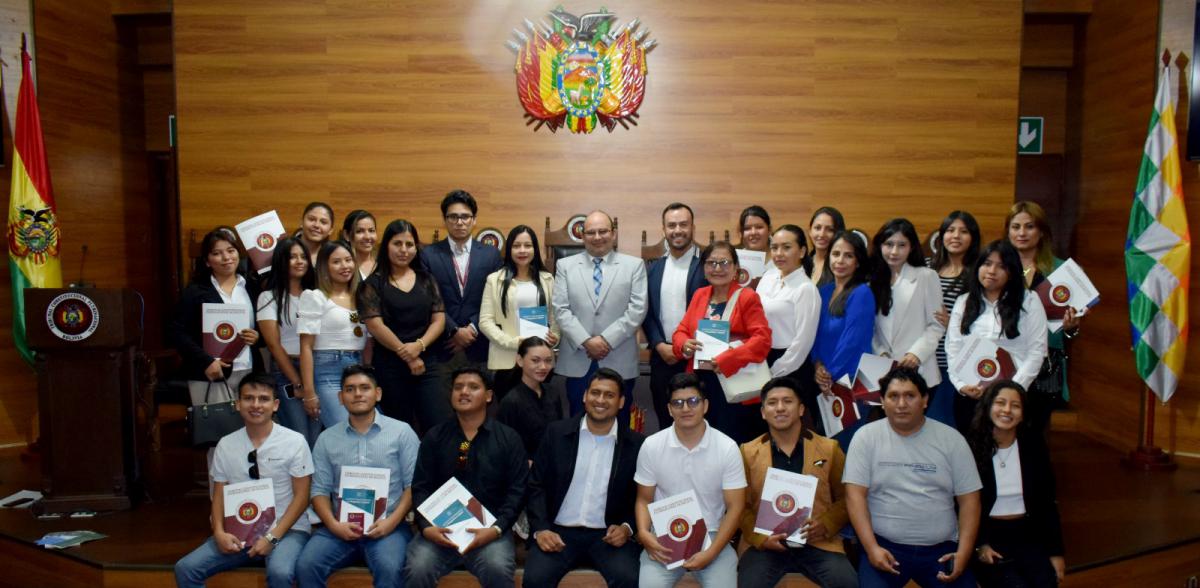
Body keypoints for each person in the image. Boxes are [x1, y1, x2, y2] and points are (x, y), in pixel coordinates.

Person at [844, 367, 981, 588]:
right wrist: (871, 548)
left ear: (925, 400)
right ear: (882, 401)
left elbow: (970, 501)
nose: (901, 404)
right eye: (893, 396)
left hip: (942, 550)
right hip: (884, 548)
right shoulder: (865, 438)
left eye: (910, 396)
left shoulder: (952, 440)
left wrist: (964, 553)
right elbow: (854, 496)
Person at [175, 373, 314, 588]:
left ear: (275, 405)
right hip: (239, 531)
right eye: (249, 398)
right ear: (238, 404)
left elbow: (302, 497)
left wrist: (272, 537)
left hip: (287, 531)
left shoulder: (294, 442)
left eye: (263, 399)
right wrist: (219, 532)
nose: (256, 405)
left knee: (280, 572)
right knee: (186, 568)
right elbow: (219, 495)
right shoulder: (226, 444)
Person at [296, 365, 421, 588]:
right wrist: (333, 525)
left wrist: (391, 523)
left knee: (390, 567)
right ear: (340, 397)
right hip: (338, 527)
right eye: (350, 389)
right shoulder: (327, 438)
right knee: (306, 565)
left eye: (365, 388)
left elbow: (413, 485)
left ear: (378, 393)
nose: (358, 394)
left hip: (388, 528)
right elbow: (319, 490)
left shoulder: (402, 433)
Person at [405, 368, 528, 588]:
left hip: (489, 532)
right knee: (418, 568)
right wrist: (425, 527)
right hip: (440, 531)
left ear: (488, 396)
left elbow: (517, 491)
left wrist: (496, 529)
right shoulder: (435, 437)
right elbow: (421, 487)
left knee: (497, 568)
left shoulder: (509, 439)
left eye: (473, 387)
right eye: (458, 387)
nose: (464, 392)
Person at [524, 368, 646, 588]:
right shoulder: (556, 433)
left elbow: (641, 496)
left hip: (608, 536)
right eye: (595, 393)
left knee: (630, 579)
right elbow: (536, 485)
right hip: (558, 532)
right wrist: (541, 529)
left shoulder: (636, 445)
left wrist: (627, 527)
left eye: (609, 395)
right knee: (535, 579)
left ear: (621, 402)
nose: (600, 400)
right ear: (584, 396)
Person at [737, 377, 857, 588]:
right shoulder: (747, 452)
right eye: (772, 403)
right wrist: (761, 538)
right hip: (765, 545)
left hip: (818, 542)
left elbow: (847, 498)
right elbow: (739, 507)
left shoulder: (829, 449)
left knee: (847, 582)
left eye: (787, 401)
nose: (780, 408)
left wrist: (825, 524)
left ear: (801, 409)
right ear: (763, 412)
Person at [634, 373, 747, 587]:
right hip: (663, 538)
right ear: (669, 409)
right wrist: (643, 533)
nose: (685, 408)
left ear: (705, 406)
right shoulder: (651, 445)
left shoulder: (727, 448)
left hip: (713, 537)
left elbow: (736, 507)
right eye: (677, 403)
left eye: (693, 401)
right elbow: (643, 500)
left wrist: (712, 552)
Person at [552, 209, 648, 422]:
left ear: (613, 233)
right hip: (578, 360)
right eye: (591, 232)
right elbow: (560, 309)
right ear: (583, 236)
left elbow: (637, 309)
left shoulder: (634, 266)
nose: (597, 237)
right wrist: (586, 341)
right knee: (577, 423)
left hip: (619, 359)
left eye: (603, 231)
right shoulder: (565, 266)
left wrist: (606, 340)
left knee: (619, 426)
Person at [945, 240, 1048, 435]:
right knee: (971, 449)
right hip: (972, 395)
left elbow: (1037, 352)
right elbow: (953, 348)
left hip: (1014, 397)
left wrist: (1012, 390)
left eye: (1001, 266)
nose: (991, 271)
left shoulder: (1029, 300)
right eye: (987, 264)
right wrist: (961, 385)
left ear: (1012, 272)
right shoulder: (964, 301)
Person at [968, 381, 1065, 587]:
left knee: (1047, 582)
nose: (1006, 410)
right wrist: (980, 545)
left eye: (1015, 405)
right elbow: (961, 506)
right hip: (988, 535)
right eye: (1000, 403)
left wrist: (1056, 553)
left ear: (1023, 414)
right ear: (988, 407)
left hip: (1028, 534)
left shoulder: (1034, 446)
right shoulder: (970, 447)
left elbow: (1047, 503)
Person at [674, 241, 772, 443]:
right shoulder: (700, 295)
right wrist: (684, 344)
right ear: (704, 268)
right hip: (701, 383)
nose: (717, 268)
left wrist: (730, 358)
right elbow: (681, 330)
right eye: (711, 263)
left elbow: (762, 339)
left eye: (724, 262)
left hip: (733, 383)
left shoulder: (747, 297)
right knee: (703, 442)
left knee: (732, 442)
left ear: (736, 268)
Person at [358, 220, 448, 435]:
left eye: (409, 244)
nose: (404, 250)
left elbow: (439, 320)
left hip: (428, 364)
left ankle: (445, 460)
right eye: (397, 243)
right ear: (386, 246)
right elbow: (375, 326)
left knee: (439, 426)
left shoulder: (427, 279)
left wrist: (419, 345)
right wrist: (408, 356)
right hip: (390, 367)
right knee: (398, 430)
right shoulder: (371, 284)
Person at [1006, 201, 1081, 432]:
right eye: (1015, 227)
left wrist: (1071, 327)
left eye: (1029, 226)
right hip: (1005, 359)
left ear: (1041, 232)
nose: (1022, 233)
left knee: (1035, 434)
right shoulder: (997, 266)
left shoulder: (1062, 270)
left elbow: (1070, 331)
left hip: (1044, 366)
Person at [169, 228, 261, 406]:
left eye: (231, 251)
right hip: (209, 373)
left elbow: (263, 327)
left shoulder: (251, 287)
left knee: (250, 422)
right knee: (217, 423)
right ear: (207, 261)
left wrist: (257, 337)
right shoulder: (195, 291)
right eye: (217, 253)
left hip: (249, 371)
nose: (226, 257)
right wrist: (205, 362)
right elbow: (176, 332)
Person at [421, 189, 503, 378]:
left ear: (474, 220)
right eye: (453, 217)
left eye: (465, 216)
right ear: (444, 220)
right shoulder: (428, 255)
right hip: (443, 346)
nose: (459, 222)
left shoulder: (491, 255)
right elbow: (427, 299)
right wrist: (454, 331)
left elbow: (497, 298)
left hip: (481, 345)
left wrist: (472, 328)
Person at [644, 202, 708, 430]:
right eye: (672, 225)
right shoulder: (652, 269)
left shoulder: (706, 268)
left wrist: (686, 347)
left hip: (696, 357)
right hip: (663, 357)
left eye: (683, 224)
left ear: (693, 228)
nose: (677, 230)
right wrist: (659, 344)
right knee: (665, 422)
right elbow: (647, 313)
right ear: (663, 229)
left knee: (697, 422)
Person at [478, 224, 559, 396]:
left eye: (527, 245)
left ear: (535, 249)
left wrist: (555, 336)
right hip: (507, 360)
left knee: (540, 408)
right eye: (516, 246)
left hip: (541, 362)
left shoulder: (547, 279)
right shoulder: (494, 280)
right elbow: (485, 322)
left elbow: (555, 317)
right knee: (510, 410)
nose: (522, 250)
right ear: (509, 249)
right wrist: (513, 342)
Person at [810, 230, 875, 442]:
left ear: (858, 262)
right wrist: (817, 365)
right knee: (828, 447)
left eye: (848, 255)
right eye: (836, 254)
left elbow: (852, 342)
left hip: (852, 382)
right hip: (826, 381)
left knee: (848, 447)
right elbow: (814, 333)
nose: (840, 260)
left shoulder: (862, 292)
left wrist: (829, 374)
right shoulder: (824, 291)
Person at [756, 224, 822, 431]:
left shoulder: (806, 289)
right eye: (774, 247)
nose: (778, 253)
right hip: (762, 358)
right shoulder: (768, 277)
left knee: (791, 430)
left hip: (790, 367)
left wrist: (774, 372)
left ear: (802, 251)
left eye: (786, 247)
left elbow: (802, 343)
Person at [257, 237, 321, 446]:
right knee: (299, 437)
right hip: (287, 370)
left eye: (303, 256)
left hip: (316, 367)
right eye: (292, 257)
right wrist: (298, 382)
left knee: (317, 438)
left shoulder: (316, 294)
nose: (299, 261)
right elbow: (273, 345)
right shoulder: (268, 297)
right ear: (281, 261)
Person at [869, 218, 946, 392]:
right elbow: (870, 327)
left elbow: (936, 324)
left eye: (902, 245)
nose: (894, 251)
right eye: (889, 244)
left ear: (911, 247)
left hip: (919, 369)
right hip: (883, 369)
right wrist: (880, 352)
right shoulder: (873, 280)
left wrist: (916, 354)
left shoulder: (926, 276)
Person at [298, 240, 368, 429]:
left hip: (358, 368)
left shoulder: (362, 296)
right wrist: (309, 392)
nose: (345, 266)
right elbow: (305, 347)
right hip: (328, 370)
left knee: (368, 427)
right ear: (324, 266)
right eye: (336, 262)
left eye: (348, 260)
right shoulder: (315, 297)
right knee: (345, 429)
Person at [926, 211, 981, 428]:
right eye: (950, 230)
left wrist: (955, 326)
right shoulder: (927, 268)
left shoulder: (978, 274)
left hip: (955, 362)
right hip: (923, 360)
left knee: (944, 425)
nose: (956, 236)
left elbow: (985, 320)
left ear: (973, 238)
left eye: (963, 231)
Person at [496, 337, 564, 457]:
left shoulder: (553, 392)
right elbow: (503, 444)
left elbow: (559, 431)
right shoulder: (511, 401)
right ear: (520, 360)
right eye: (535, 360)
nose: (543, 367)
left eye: (548, 361)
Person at [803, 207, 846, 286]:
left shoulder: (842, 265)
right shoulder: (802, 263)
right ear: (810, 231)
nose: (822, 234)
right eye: (817, 228)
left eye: (830, 229)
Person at [341, 209, 378, 279]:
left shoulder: (383, 264)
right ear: (346, 235)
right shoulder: (343, 267)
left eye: (371, 231)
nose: (367, 237)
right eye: (359, 231)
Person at [298, 202, 335, 266]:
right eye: (311, 219)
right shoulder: (284, 250)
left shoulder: (334, 255)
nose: (316, 225)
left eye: (323, 222)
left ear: (331, 230)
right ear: (301, 222)